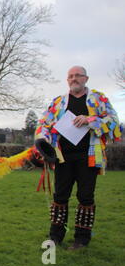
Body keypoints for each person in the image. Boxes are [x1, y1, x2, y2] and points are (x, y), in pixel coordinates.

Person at [35, 65, 122, 250]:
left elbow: (115, 124)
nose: (74, 79)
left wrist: (90, 120)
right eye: (70, 76)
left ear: (86, 79)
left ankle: (81, 240)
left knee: (85, 197)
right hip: (63, 157)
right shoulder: (58, 102)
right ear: (67, 80)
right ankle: (55, 236)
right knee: (60, 196)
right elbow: (43, 124)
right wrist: (43, 140)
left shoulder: (99, 99)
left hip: (88, 157)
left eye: (78, 76)